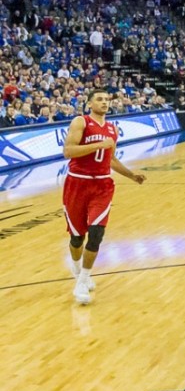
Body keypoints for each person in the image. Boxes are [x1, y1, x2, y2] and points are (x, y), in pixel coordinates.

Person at [62, 89, 146, 304]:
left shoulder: (112, 128)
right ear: (90, 103)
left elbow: (111, 159)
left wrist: (131, 174)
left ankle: (83, 279)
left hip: (102, 185)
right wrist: (99, 144)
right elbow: (69, 151)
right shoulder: (81, 122)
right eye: (99, 99)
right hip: (77, 183)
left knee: (97, 233)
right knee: (77, 237)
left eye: (107, 100)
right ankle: (77, 265)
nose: (105, 102)